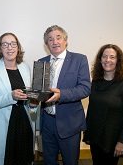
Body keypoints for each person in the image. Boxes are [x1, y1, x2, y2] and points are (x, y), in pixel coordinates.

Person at [0, 33, 37, 165]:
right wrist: (11, 96)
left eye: (13, 44)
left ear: (18, 47)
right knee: (4, 159)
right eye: (5, 44)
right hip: (1, 123)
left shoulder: (25, 68)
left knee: (22, 159)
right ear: (0, 49)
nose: (9, 47)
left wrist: (33, 103)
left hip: (22, 122)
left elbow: (27, 97)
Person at [38, 25, 91, 165]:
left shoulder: (79, 59)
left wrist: (62, 94)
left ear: (65, 40)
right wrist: (32, 98)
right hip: (47, 122)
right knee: (49, 162)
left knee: (70, 162)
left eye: (58, 37)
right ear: (46, 44)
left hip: (69, 122)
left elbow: (85, 88)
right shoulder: (41, 62)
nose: (55, 42)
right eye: (50, 39)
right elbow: (39, 92)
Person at [83, 44, 123, 165]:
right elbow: (92, 108)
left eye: (112, 57)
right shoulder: (96, 81)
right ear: (100, 59)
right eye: (104, 56)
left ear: (118, 61)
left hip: (112, 140)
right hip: (96, 137)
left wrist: (122, 142)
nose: (108, 60)